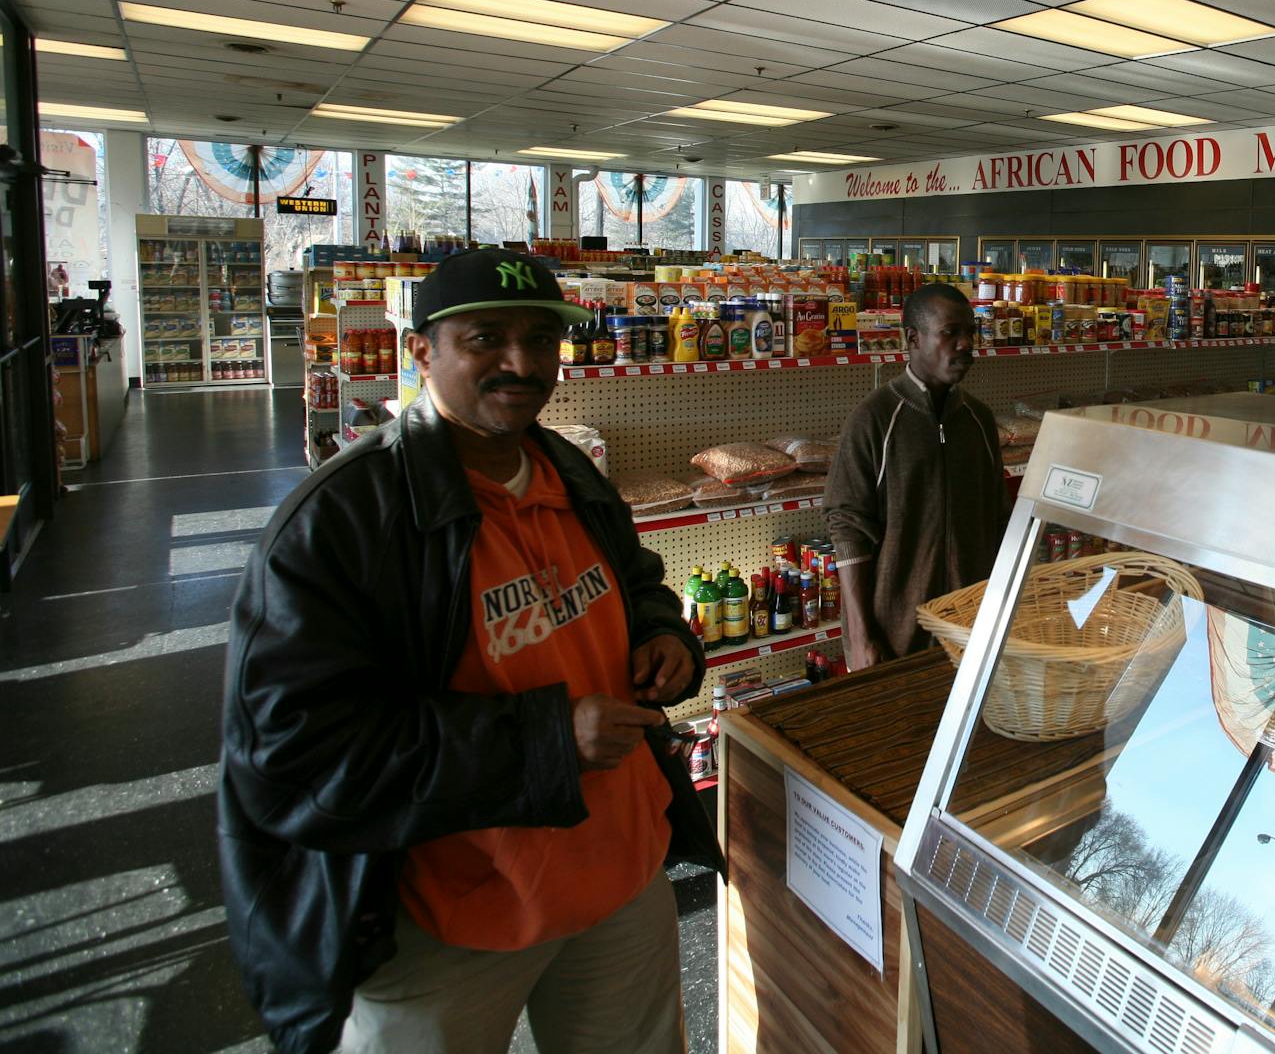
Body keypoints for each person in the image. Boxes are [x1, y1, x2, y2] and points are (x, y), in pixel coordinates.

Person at [218, 249, 715, 1054]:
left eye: (541, 339)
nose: (521, 363)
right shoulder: (342, 520)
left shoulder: (569, 472)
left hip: (622, 883)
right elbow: (299, 749)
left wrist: (663, 633)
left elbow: (635, 580)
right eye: (486, 338)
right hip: (446, 920)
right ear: (421, 351)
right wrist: (547, 741)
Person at [825, 281, 1008, 671]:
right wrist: (861, 636)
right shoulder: (874, 419)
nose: (965, 344)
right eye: (950, 333)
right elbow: (847, 530)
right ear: (913, 338)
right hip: (893, 637)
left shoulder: (979, 420)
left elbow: (997, 520)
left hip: (970, 630)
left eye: (970, 332)